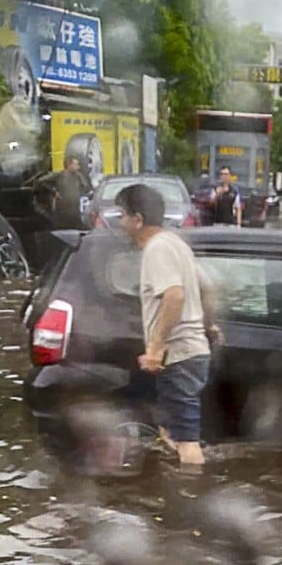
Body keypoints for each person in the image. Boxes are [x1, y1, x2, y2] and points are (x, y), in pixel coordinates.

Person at [115, 183, 223, 466]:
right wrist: (208, 326)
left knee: (188, 444)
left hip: (179, 357)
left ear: (138, 219)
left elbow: (174, 295)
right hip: (193, 353)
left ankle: (191, 501)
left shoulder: (157, 249)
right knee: (171, 432)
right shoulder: (177, 244)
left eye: (122, 215)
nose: (120, 222)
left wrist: (155, 347)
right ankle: (174, 488)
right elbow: (208, 288)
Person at [38, 155, 91, 229]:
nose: (78, 166)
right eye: (76, 164)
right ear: (69, 165)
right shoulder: (59, 175)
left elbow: (86, 187)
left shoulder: (78, 176)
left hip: (75, 212)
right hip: (63, 212)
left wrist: (80, 193)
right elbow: (41, 181)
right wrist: (54, 192)